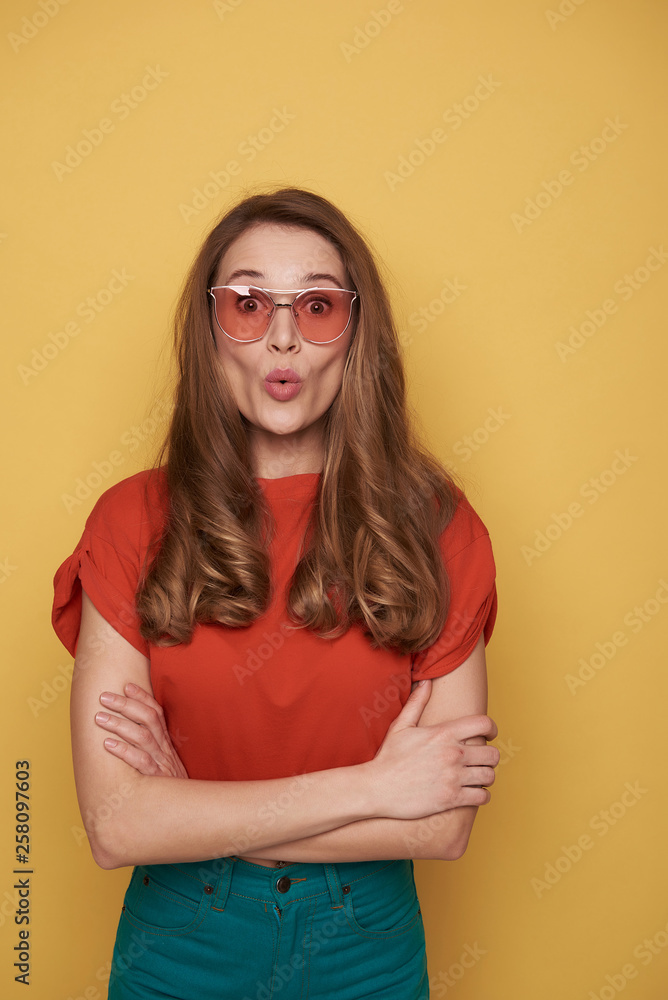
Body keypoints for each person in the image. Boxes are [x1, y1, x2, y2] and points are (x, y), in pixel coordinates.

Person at [52, 186, 500, 999]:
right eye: (249, 304)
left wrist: (189, 810)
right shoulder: (131, 520)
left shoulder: (437, 525)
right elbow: (116, 827)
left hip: (365, 948)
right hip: (181, 943)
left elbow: (440, 824)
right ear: (210, 329)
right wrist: (373, 789)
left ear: (358, 333)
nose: (283, 338)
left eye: (318, 306)